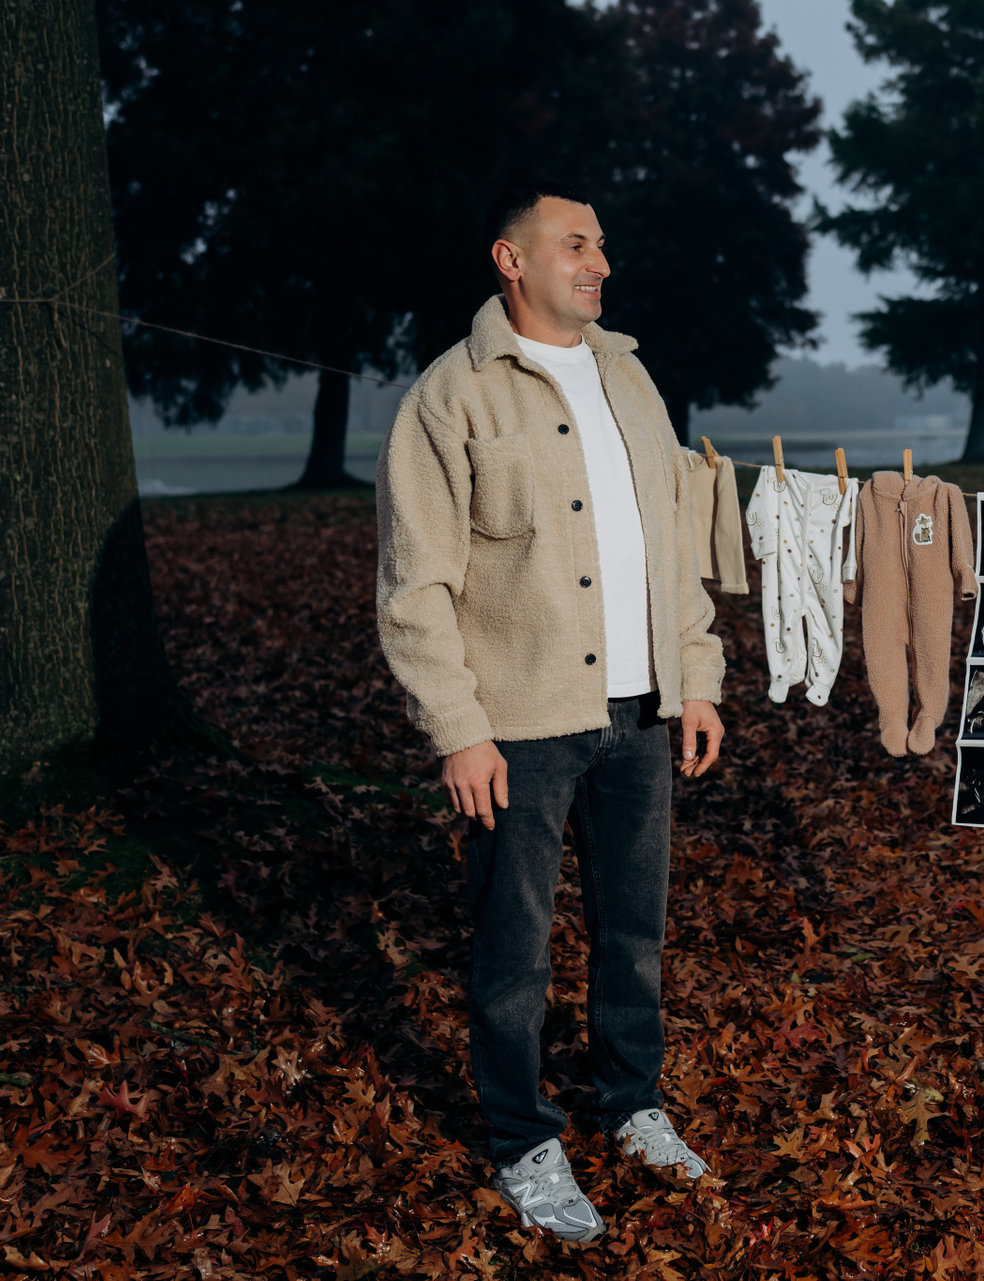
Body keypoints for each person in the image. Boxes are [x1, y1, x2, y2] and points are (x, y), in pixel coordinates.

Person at [375, 180, 727, 1242]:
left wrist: (697, 674)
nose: (600, 264)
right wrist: (458, 728)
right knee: (513, 950)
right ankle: (524, 1138)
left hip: (643, 711)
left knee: (634, 934)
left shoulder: (632, 375)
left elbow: (675, 538)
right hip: (518, 724)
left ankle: (631, 1103)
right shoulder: (452, 397)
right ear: (511, 258)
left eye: (602, 246)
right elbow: (415, 586)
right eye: (576, 244)